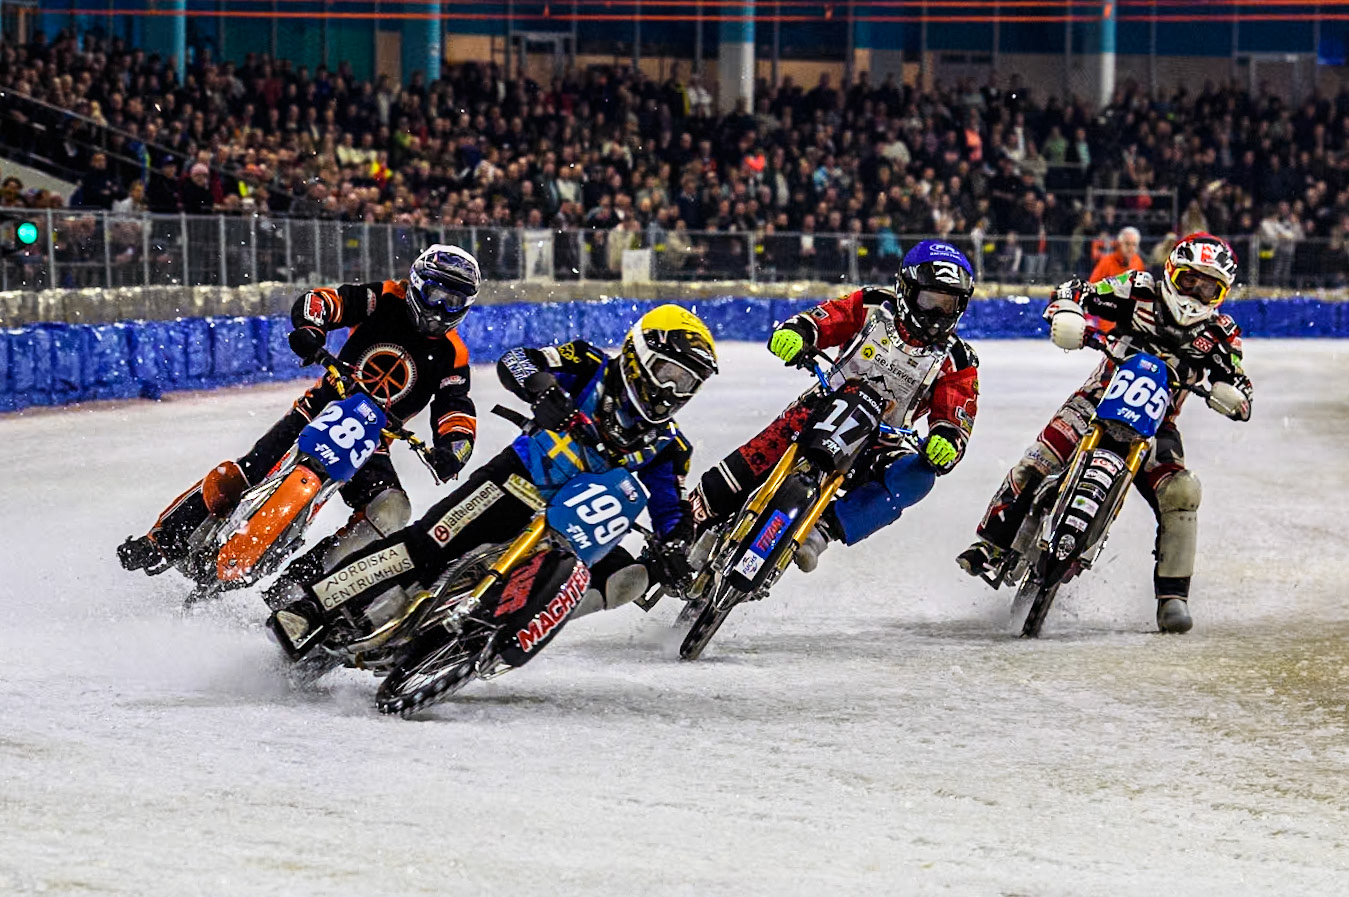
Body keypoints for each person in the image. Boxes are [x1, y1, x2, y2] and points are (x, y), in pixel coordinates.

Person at [269, 305, 719, 656]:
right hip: (515, 483)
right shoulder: (587, 364)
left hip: (573, 532)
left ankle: (503, 627)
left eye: (688, 385)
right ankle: (311, 607)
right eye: (669, 373)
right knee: (425, 545)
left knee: (628, 577)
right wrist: (545, 392)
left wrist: (676, 548)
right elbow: (518, 361)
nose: (673, 392)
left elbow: (671, 509)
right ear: (641, 354)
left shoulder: (669, 447)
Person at [117, 245, 483, 587]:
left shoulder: (454, 355)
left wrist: (454, 448)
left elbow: (455, 405)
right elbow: (325, 301)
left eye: (453, 302)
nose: (440, 309)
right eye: (436, 295)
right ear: (418, 284)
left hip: (372, 444)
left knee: (391, 511)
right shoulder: (385, 298)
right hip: (319, 409)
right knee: (248, 472)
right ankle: (161, 541)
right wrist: (310, 328)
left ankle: (306, 584)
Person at [957, 233, 1253, 633]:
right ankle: (991, 543)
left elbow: (1240, 383)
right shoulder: (1137, 287)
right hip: (1098, 397)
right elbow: (1076, 291)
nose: (1195, 294)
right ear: (1171, 272)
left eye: (1208, 287)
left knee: (1182, 491)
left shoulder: (1221, 333)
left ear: (1221, 293)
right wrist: (1067, 312)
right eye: (1189, 281)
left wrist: (1234, 397)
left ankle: (1173, 597)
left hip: (1157, 424)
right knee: (1039, 461)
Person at [689, 240, 981, 572]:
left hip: (881, 440)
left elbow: (957, 415)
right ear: (905, 289)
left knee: (917, 478)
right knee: (736, 474)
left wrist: (946, 441)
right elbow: (827, 318)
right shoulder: (873, 305)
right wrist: (799, 333)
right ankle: (687, 529)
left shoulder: (958, 360)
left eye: (948, 305)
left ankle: (823, 529)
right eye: (930, 301)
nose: (936, 315)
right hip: (820, 408)